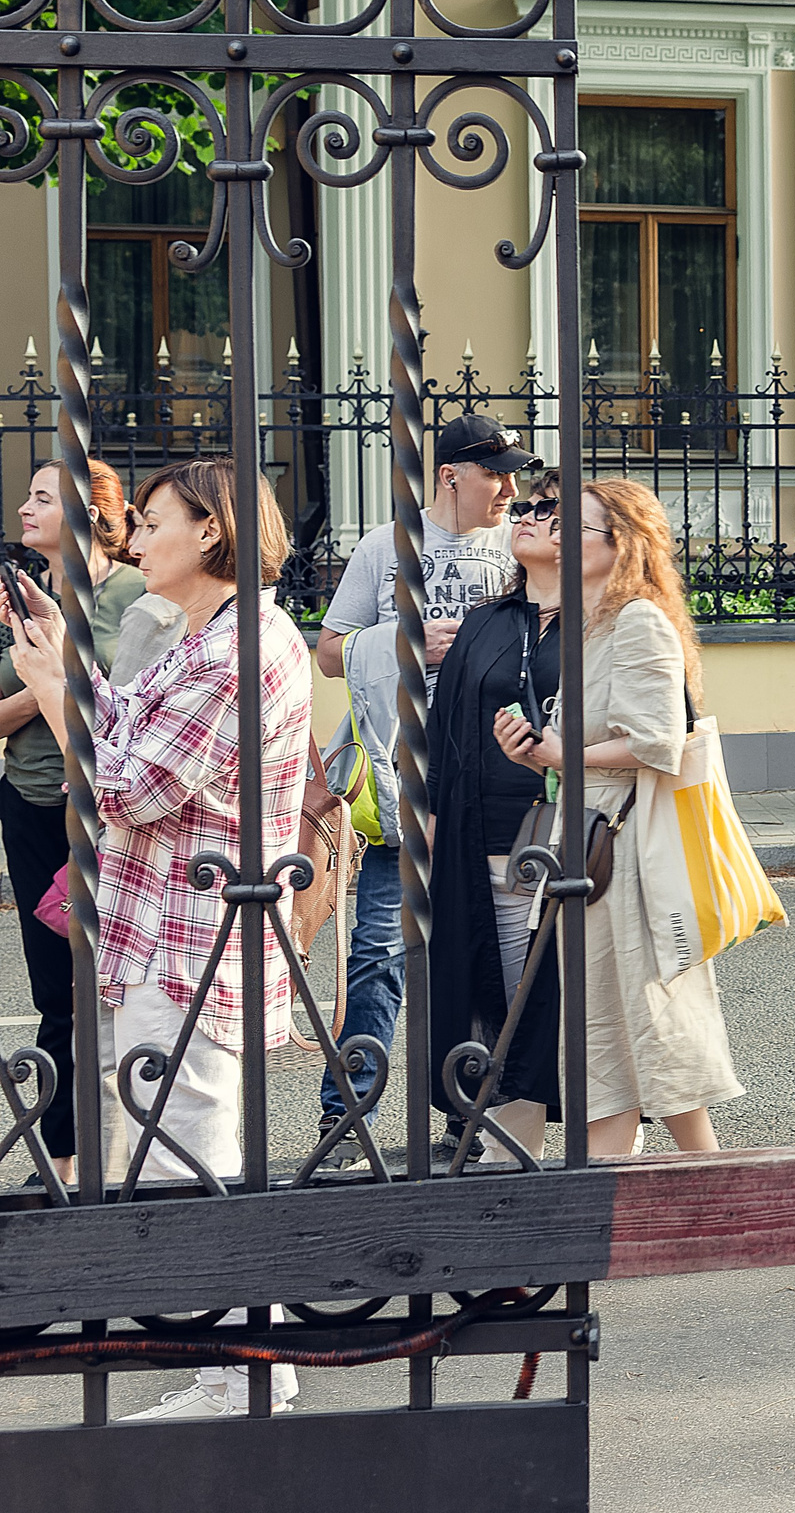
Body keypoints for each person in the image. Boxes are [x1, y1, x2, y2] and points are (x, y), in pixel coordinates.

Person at [5, 458, 313, 1419]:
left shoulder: (241, 647)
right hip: (162, 933)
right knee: (166, 1151)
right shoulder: (199, 632)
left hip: (197, 941)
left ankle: (243, 1373)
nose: (134, 538)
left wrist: (52, 691)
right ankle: (229, 1360)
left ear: (210, 533)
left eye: (153, 522)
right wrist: (62, 663)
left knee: (196, 1158)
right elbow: (128, 724)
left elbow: (131, 787)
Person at [494, 478, 741, 1157]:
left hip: (624, 858)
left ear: (621, 544)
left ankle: (612, 1202)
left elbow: (656, 741)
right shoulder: (596, 621)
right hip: (594, 846)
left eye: (576, 526)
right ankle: (708, 1189)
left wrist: (560, 752)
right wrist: (536, 752)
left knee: (621, 1031)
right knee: (628, 1033)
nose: (557, 533)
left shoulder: (636, 620)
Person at [314, 413, 536, 1163]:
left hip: (487, 775)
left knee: (479, 946)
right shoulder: (387, 547)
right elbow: (328, 652)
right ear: (450, 476)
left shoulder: (518, 550)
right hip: (402, 775)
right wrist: (408, 641)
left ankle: (471, 1111)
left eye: (514, 474)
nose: (510, 490)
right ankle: (349, 1118)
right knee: (380, 951)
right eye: (495, 474)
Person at [0, 460, 151, 1184]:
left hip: (105, 812)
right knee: (52, 993)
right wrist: (50, 680)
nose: (24, 508)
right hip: (28, 809)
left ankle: (117, 1151)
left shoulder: (137, 594)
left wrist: (48, 674)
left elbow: (123, 701)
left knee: (111, 986)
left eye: (40, 497)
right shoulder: (28, 595)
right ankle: (61, 1155)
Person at [421, 472, 565, 1164]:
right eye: (527, 506)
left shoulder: (606, 622)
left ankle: (542, 1156)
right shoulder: (488, 619)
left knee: (556, 1007)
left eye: (548, 510)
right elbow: (445, 728)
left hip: (569, 845)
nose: (527, 515)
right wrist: (431, 826)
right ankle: (513, 1151)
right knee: (501, 1002)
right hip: (484, 840)